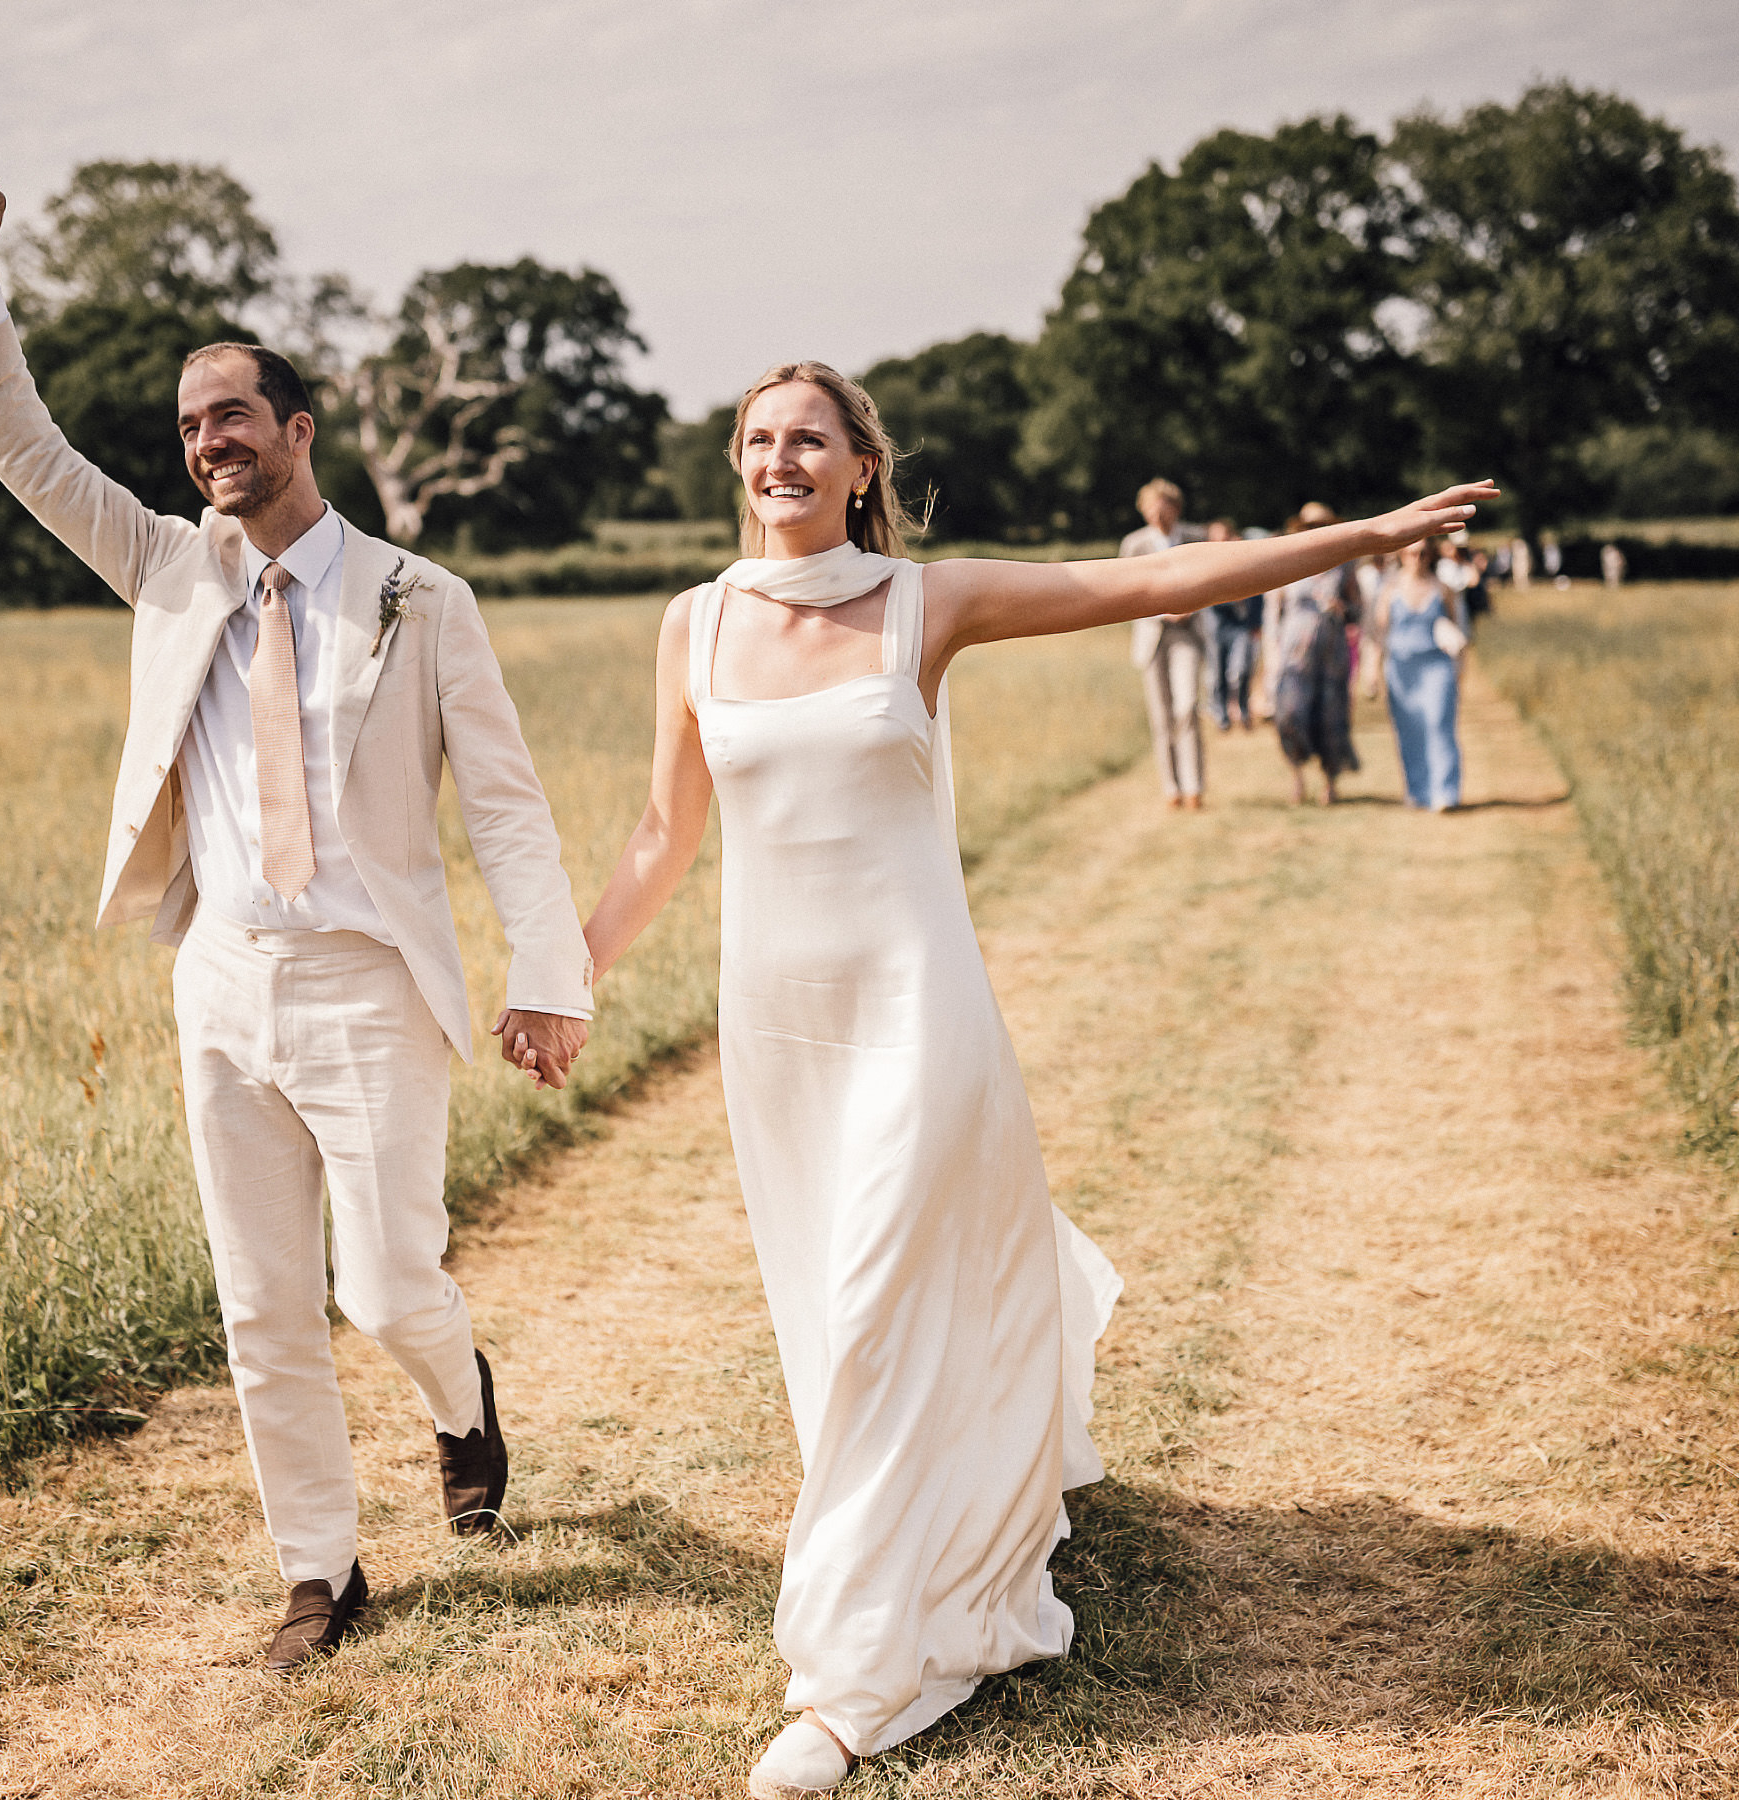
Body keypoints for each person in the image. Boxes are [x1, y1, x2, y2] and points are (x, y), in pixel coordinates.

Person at [576, 359, 1493, 1796]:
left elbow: (1148, 585)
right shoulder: (695, 623)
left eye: (809, 438)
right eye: (757, 438)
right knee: (831, 1319)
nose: (778, 458)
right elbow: (660, 830)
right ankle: (925, 1530)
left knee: (871, 1309)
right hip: (780, 1030)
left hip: (913, 1013)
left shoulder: (925, 605)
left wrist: (1363, 539)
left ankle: (855, 1679)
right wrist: (569, 971)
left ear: (862, 467)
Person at [0, 174, 596, 1673]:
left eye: (231, 415)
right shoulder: (172, 572)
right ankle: (321, 1570)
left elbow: (505, 808)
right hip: (223, 981)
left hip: (371, 985)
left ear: (298, 430)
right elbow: (28, 454)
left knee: (387, 1288)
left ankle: (459, 1399)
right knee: (261, 1305)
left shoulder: (421, 599)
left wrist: (546, 972)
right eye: (188, 427)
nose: (206, 443)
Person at [1266, 503, 1363, 806]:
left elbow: (1358, 608)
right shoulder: (1286, 562)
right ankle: (1297, 776)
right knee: (1290, 714)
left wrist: (1343, 608)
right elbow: (1274, 613)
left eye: (1321, 526)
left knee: (1331, 718)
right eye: (1310, 526)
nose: (1316, 531)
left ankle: (1329, 782)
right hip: (1294, 653)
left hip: (1331, 652)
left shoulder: (1344, 564)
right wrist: (1271, 655)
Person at [1364, 535, 1470, 811]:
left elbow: (1457, 629)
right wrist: (1372, 671)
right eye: (1412, 553)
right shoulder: (1389, 589)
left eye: (1423, 553)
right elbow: (1378, 633)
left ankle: (1446, 792)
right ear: (1402, 555)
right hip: (1401, 669)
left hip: (1436, 665)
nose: (1418, 559)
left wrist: (1460, 668)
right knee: (1409, 730)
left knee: (1439, 723)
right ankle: (1418, 791)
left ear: (1430, 555)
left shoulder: (1442, 588)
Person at [1121, 480, 1207, 809]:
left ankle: (1194, 785)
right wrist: (1161, 611)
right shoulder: (1134, 544)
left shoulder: (1195, 538)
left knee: (1187, 707)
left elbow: (1212, 583)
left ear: (1176, 507)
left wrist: (1191, 607)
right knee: (1161, 715)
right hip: (1152, 635)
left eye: (1163, 507)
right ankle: (1172, 788)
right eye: (1151, 508)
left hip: (1187, 635)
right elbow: (1124, 590)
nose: (1157, 514)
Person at [1201, 520, 1263, 732]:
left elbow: (1258, 593)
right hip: (1217, 626)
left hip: (1241, 626)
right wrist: (1235, 599)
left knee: (1243, 669)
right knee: (1218, 671)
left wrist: (1256, 622)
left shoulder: (1245, 562)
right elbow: (1207, 597)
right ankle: (1221, 714)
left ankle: (1244, 708)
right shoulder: (1206, 565)